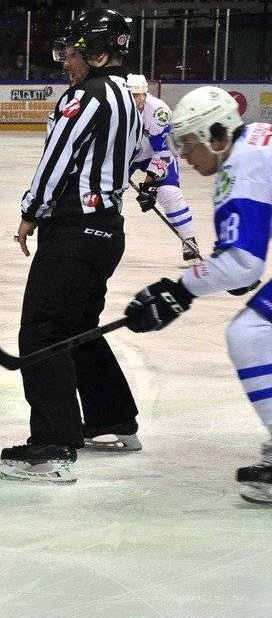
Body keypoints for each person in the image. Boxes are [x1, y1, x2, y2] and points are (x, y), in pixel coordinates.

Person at [7, 8, 144, 483]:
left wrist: (30, 211)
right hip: (108, 230)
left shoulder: (85, 97)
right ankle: (111, 416)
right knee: (80, 326)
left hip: (74, 231)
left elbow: (56, 159)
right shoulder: (130, 95)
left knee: (43, 332)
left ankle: (53, 444)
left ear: (98, 52)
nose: (66, 60)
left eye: (74, 51)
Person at [122, 86, 270, 503]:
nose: (183, 156)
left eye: (188, 143)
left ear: (217, 135)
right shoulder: (255, 138)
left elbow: (244, 264)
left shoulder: (241, 170)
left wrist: (179, 290)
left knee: (252, 335)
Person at [127, 74, 199, 261]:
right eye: (131, 95)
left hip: (155, 153)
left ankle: (188, 239)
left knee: (168, 193)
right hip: (128, 156)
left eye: (139, 95)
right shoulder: (116, 108)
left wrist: (149, 186)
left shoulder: (158, 111)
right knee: (108, 191)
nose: (136, 100)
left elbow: (164, 151)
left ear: (145, 93)